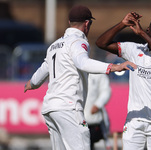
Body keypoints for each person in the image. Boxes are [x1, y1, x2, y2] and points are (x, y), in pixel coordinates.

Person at [24, 5, 136, 150]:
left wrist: (31, 84)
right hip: (68, 107)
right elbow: (82, 63)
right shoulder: (78, 41)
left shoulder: (54, 45)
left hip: (50, 108)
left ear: (70, 22)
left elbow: (42, 71)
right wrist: (113, 67)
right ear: (87, 23)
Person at [96, 12, 151, 150]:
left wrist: (140, 33)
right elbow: (101, 43)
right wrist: (122, 24)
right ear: (149, 30)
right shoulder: (134, 49)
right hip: (135, 119)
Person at [84, 73, 112, 150]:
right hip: (77, 117)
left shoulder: (99, 72)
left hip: (93, 119)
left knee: (91, 142)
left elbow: (106, 91)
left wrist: (98, 104)